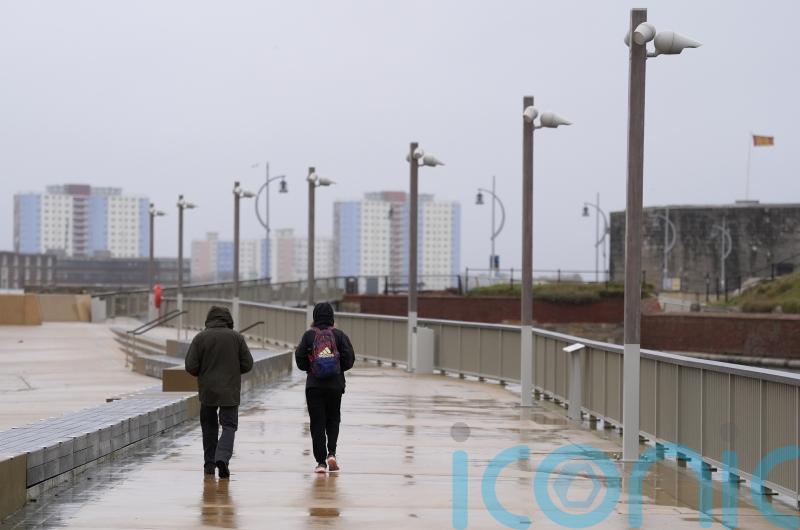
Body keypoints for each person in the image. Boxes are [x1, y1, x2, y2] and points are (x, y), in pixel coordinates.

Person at [186, 306, 253, 478]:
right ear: (228, 320)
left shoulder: (200, 338)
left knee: (209, 426)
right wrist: (233, 370)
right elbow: (248, 364)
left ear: (209, 319)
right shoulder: (237, 338)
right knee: (229, 426)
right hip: (230, 391)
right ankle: (222, 457)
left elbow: (190, 366)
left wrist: (204, 372)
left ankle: (209, 465)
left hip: (207, 391)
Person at [295, 302, 355, 473]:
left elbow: (299, 359)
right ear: (331, 317)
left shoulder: (308, 336)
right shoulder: (339, 335)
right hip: (335, 385)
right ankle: (332, 454)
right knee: (333, 419)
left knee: (317, 423)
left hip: (314, 386)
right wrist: (336, 369)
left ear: (314, 317)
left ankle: (320, 463)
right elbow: (349, 359)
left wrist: (312, 368)